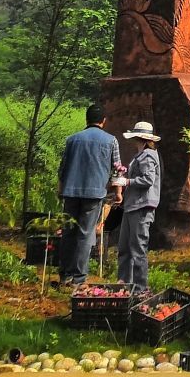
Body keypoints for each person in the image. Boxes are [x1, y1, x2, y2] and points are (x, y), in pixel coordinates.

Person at [56, 104, 119, 287]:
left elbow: (62, 169)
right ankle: (79, 278)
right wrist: (118, 192)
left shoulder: (72, 139)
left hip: (71, 192)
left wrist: (61, 190)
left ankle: (65, 275)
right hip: (94, 194)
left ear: (86, 119)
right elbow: (118, 170)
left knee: (68, 233)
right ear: (103, 121)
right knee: (85, 234)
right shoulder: (111, 141)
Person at [116, 120, 162, 291]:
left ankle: (140, 288)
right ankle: (124, 285)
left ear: (139, 138)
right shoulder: (140, 155)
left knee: (137, 249)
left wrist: (127, 181)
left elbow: (148, 180)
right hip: (132, 206)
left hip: (142, 207)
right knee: (124, 248)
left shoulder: (149, 155)